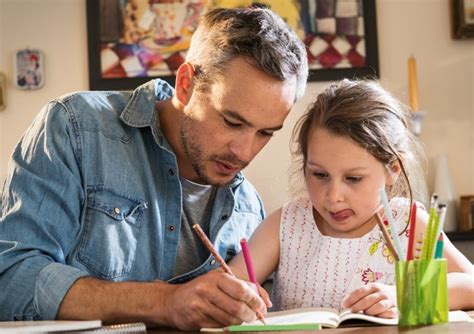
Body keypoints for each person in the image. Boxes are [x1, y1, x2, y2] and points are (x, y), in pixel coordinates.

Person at [0, 7, 308, 330]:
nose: (244, 152)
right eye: (232, 121)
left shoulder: (248, 209)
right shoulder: (75, 129)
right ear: (186, 84)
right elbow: (11, 277)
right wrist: (165, 302)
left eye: (265, 133)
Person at [229, 79, 474, 317]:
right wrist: (236, 297)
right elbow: (229, 283)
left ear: (393, 169)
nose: (333, 197)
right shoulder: (286, 223)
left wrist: (407, 294)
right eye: (320, 174)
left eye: (353, 179)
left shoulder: (410, 223)